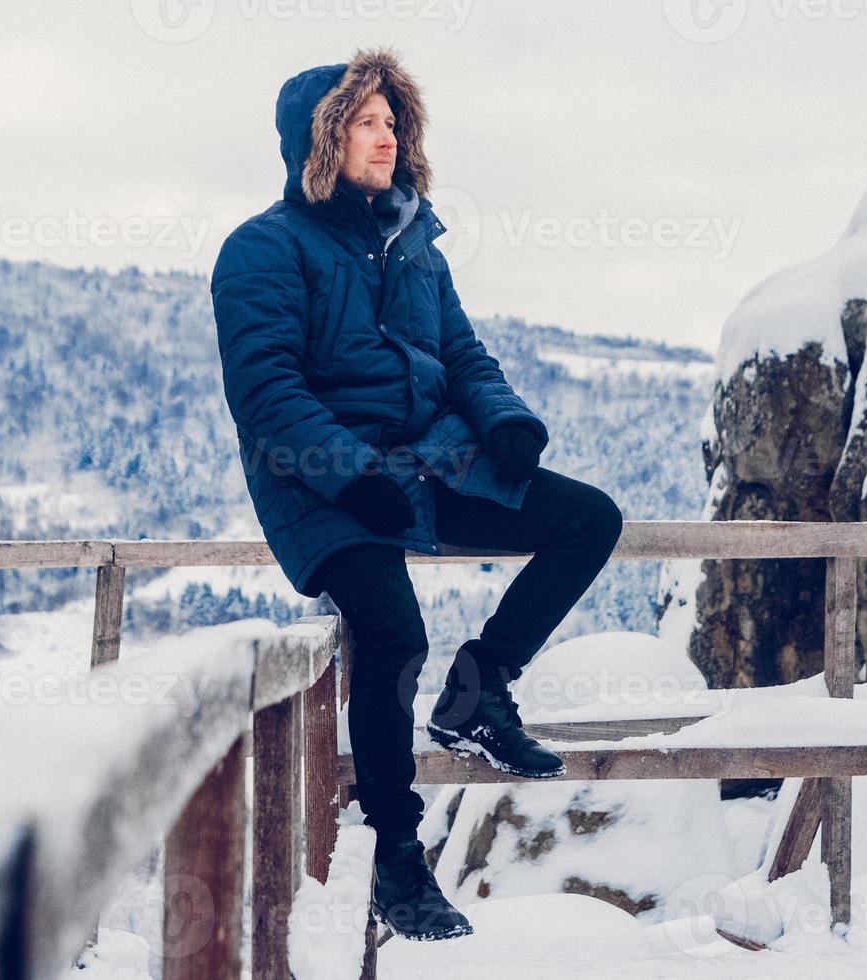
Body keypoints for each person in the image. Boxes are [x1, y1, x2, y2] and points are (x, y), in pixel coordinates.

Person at [210, 46, 623, 941]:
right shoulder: (263, 249)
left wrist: (504, 420)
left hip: (429, 463)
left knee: (588, 519)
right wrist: (350, 474)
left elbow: (464, 355)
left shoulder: (413, 240)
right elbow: (267, 393)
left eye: (393, 120)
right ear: (320, 140)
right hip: (317, 481)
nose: (386, 136)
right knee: (393, 631)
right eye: (365, 121)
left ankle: (479, 689)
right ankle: (396, 853)